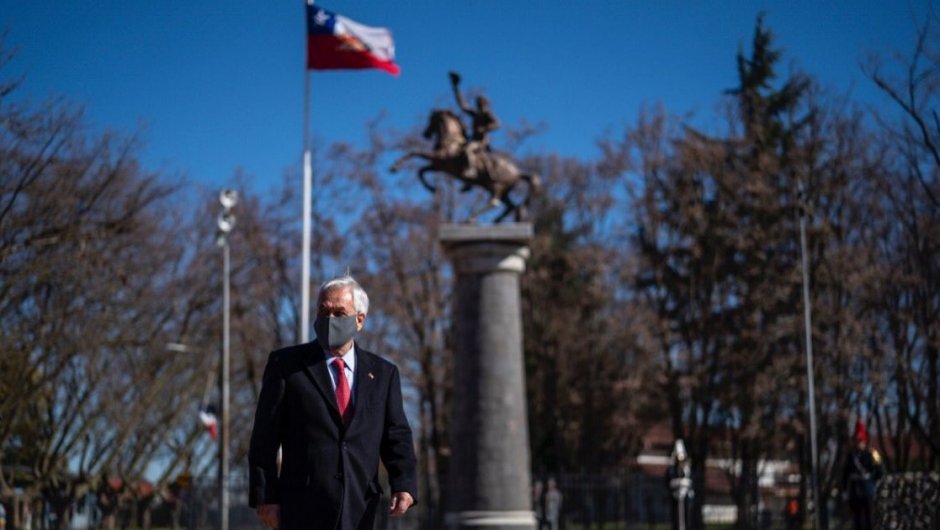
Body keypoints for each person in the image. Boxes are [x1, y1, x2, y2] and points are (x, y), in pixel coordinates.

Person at [248, 275, 418, 530]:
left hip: (360, 506)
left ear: (359, 320)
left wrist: (403, 483)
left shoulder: (383, 374)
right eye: (323, 311)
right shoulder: (286, 366)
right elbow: (264, 437)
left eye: (340, 313)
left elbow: (396, 434)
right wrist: (266, 497)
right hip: (302, 506)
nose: (330, 320)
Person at [449, 71, 500, 184]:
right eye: (477, 103)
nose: (478, 105)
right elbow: (463, 105)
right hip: (472, 139)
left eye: (480, 103)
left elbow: (497, 124)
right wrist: (456, 87)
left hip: (481, 141)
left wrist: (485, 129)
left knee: (468, 150)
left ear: (485, 104)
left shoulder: (487, 114)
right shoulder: (475, 114)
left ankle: (471, 170)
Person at [841, 420, 884, 530]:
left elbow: (881, 470)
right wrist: (844, 490)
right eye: (856, 440)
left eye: (860, 440)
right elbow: (845, 473)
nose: (858, 443)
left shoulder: (873, 453)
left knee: (869, 518)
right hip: (855, 491)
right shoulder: (850, 455)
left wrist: (872, 479)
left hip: (868, 490)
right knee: (857, 520)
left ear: (864, 441)